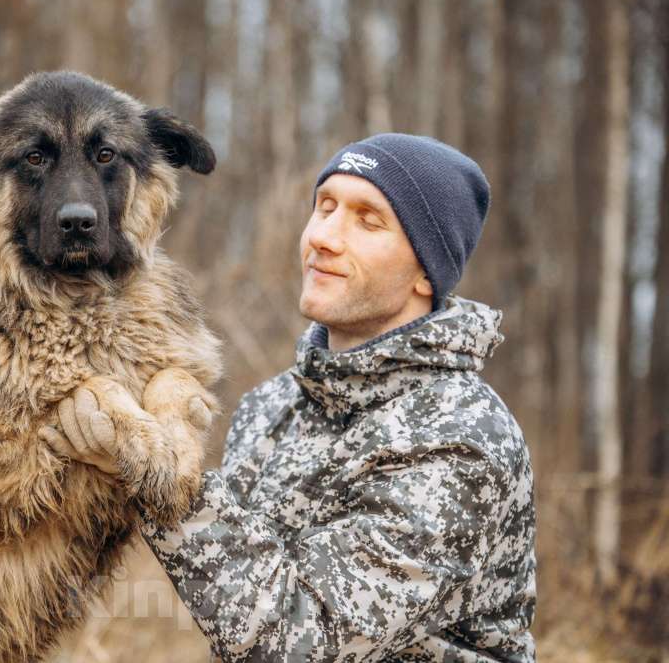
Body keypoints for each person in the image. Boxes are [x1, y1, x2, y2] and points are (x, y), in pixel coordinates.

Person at [45, 133, 537, 662]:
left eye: (368, 221)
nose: (324, 236)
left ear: (427, 271)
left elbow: (303, 641)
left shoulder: (460, 436)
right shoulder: (271, 407)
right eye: (325, 207)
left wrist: (153, 465)